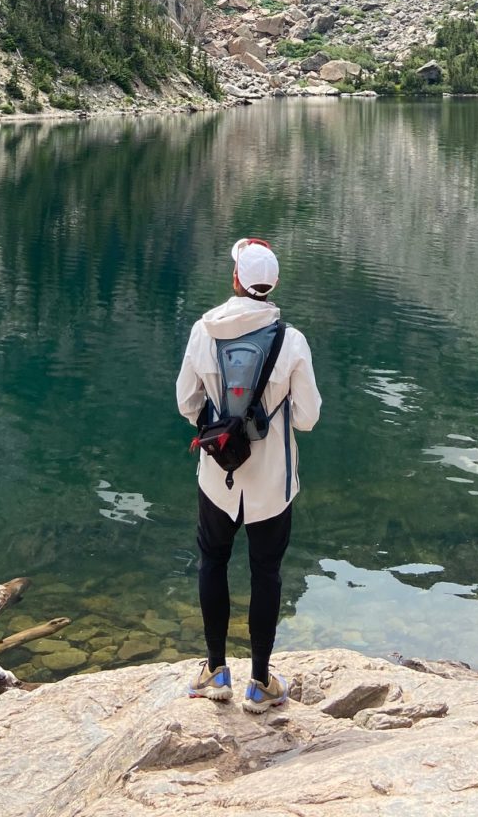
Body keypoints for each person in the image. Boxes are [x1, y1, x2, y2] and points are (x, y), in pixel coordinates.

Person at [176, 236, 321, 712]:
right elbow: (307, 418)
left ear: (235, 279)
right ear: (271, 285)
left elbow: (186, 402)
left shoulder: (204, 331)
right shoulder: (292, 341)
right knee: (267, 573)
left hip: (218, 477)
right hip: (271, 483)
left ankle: (216, 671)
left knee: (212, 562)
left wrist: (215, 418)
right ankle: (260, 683)